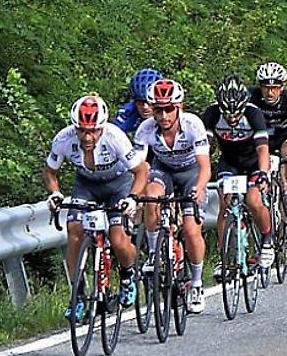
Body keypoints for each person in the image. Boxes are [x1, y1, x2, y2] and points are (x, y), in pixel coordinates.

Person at [46, 95, 149, 314]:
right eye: (82, 130)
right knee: (74, 231)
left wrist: (132, 197)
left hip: (118, 185)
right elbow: (50, 171)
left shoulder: (115, 137)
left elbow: (141, 171)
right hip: (86, 186)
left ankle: (128, 273)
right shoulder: (63, 139)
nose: (87, 136)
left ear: (102, 127)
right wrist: (55, 192)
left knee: (118, 239)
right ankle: (79, 294)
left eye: (93, 131)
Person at [133, 79, 211, 314]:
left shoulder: (193, 125)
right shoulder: (145, 129)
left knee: (190, 229)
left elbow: (205, 167)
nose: (164, 115)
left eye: (169, 109)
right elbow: (138, 166)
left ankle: (196, 282)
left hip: (191, 174)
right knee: (151, 196)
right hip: (163, 170)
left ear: (179, 107)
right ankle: (155, 254)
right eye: (158, 109)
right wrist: (134, 195)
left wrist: (199, 187)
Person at [202, 75, 275, 270]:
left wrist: (263, 173)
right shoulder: (211, 113)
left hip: (252, 162)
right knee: (225, 205)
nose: (232, 119)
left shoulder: (253, 114)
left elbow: (262, 149)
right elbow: (205, 149)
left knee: (253, 200)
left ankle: (267, 242)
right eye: (227, 114)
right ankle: (224, 257)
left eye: (236, 114)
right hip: (230, 161)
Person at [249, 62, 287, 227]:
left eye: (275, 87)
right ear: (260, 86)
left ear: (283, 86)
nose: (270, 92)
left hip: (283, 138)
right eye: (266, 87)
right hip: (261, 139)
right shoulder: (252, 97)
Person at [113, 68, 161, 135]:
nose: (145, 107)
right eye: (140, 102)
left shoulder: (171, 113)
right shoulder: (127, 114)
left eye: (149, 102)